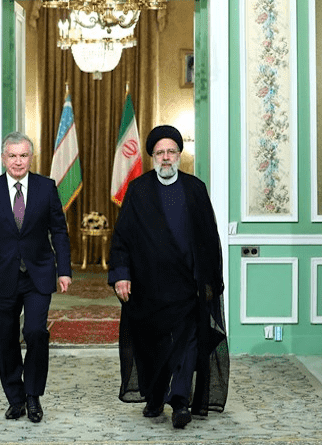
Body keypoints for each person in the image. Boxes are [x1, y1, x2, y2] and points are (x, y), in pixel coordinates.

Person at [108, 124, 229, 429]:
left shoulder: (195, 189)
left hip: (188, 286)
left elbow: (209, 238)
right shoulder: (138, 190)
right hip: (148, 287)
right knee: (153, 345)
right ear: (151, 156)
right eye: (159, 152)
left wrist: (210, 281)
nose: (165, 157)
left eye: (171, 151)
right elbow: (122, 238)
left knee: (188, 342)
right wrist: (121, 275)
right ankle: (156, 394)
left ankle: (179, 400)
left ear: (179, 154)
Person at [0, 131, 72, 423]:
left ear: (31, 157)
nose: (18, 161)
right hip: (2, 275)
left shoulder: (46, 188)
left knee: (36, 332)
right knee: (7, 339)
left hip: (39, 274)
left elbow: (60, 232)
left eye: (23, 155)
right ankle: (15, 398)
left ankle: (33, 396)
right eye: (12, 156)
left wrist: (64, 270)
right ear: (4, 158)